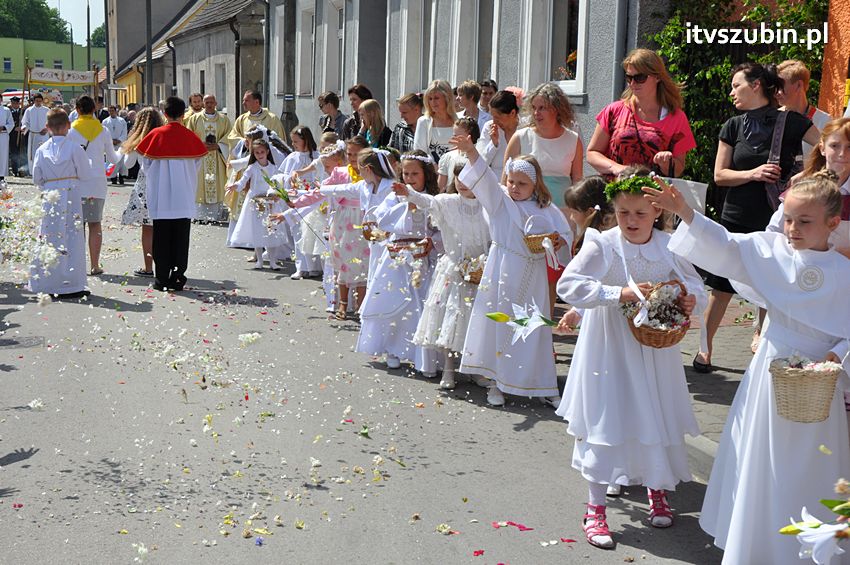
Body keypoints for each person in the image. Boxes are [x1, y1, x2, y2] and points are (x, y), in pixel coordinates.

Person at [645, 171, 850, 565]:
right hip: (770, 377)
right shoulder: (770, 251)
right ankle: (757, 548)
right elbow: (726, 246)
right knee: (765, 462)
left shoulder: (844, 274)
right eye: (788, 219)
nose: (792, 229)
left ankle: (809, 551)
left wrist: (836, 357)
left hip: (820, 387)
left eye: (804, 221)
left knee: (811, 465)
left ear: (833, 223)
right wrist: (685, 212)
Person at [556, 172, 707, 550]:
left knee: (653, 413)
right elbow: (569, 285)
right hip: (610, 346)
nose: (631, 220)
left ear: (656, 211)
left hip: (655, 349)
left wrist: (689, 299)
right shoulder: (603, 244)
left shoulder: (670, 246)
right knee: (608, 417)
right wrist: (617, 292)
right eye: (624, 213)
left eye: (639, 212)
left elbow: (697, 289)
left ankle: (656, 489)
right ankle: (596, 507)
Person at [693, 62, 820, 372]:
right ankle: (704, 350)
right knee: (721, 284)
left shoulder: (792, 121)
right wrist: (753, 172)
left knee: (769, 283)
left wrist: (801, 176)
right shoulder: (732, 125)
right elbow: (720, 175)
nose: (731, 92)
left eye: (737, 85)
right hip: (736, 213)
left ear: (756, 86)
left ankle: (763, 347)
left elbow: (828, 149)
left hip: (774, 215)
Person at [453, 134, 571, 408]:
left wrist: (553, 242)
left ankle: (543, 383)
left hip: (533, 273)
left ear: (535, 184)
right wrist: (471, 152)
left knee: (533, 326)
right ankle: (498, 381)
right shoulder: (499, 202)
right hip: (503, 269)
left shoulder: (546, 207)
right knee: (502, 323)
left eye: (522, 183)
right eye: (511, 181)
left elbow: (564, 234)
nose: (515, 187)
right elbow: (483, 178)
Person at [402, 158, 490, 390]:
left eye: (470, 178)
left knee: (475, 320)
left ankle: (474, 368)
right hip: (454, 268)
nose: (463, 183)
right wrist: (409, 192)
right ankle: (449, 369)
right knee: (452, 318)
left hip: (481, 268)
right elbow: (427, 201)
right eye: (459, 177)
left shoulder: (488, 204)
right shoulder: (448, 202)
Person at [355, 149, 441, 376]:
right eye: (406, 174)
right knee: (396, 303)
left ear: (426, 175)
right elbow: (382, 218)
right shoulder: (394, 195)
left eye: (415, 174)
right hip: (398, 256)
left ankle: (423, 356)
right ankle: (393, 349)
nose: (410, 179)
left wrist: (433, 241)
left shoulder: (434, 197)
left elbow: (442, 226)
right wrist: (407, 206)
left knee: (422, 305)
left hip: (424, 257)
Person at [587, 48, 696, 179]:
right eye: (629, 77)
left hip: (653, 195)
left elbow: (678, 169)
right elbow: (592, 153)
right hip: (615, 194)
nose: (632, 83)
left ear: (657, 77)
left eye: (640, 77)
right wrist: (616, 168)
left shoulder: (676, 118)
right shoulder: (614, 111)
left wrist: (666, 163)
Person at [136, 97, 208, 292]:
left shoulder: (155, 135)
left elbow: (146, 165)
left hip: (161, 198)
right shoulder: (190, 137)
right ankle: (178, 277)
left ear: (164, 114)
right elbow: (197, 165)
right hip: (183, 197)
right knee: (181, 239)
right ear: (183, 114)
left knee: (161, 239)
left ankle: (161, 279)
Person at [28, 109, 95, 299]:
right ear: (68, 126)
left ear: (47, 128)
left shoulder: (41, 149)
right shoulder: (75, 148)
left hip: (50, 196)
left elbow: (36, 178)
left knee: (50, 235)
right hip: (71, 194)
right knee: (71, 236)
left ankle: (48, 281)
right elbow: (86, 174)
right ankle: (72, 283)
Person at [505, 82, 583, 211]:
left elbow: (577, 180)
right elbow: (506, 179)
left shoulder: (573, 139)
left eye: (542, 108)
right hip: (527, 209)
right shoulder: (520, 137)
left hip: (562, 211)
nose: (536, 113)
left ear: (557, 109)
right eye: (534, 107)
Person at [67, 95, 121, 275]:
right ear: (94, 110)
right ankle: (95, 264)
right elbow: (113, 159)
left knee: (77, 225)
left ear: (77, 110)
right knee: (95, 224)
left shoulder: (70, 131)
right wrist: (123, 153)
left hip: (76, 181)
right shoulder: (103, 130)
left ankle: (77, 264)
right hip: (97, 181)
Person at [120, 107, 163, 277]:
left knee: (148, 228)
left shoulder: (139, 139)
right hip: (163, 183)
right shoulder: (162, 137)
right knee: (163, 227)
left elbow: (128, 164)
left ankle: (148, 267)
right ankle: (164, 266)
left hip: (145, 185)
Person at [226, 139, 281, 270]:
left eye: (262, 152)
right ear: (253, 154)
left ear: (267, 151)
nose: (260, 154)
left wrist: (278, 193)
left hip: (269, 202)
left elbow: (277, 183)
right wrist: (236, 185)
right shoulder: (252, 167)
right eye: (257, 153)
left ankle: (273, 261)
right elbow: (243, 180)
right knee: (257, 230)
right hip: (255, 201)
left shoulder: (273, 168)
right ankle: (259, 260)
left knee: (270, 230)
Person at [277, 125, 321, 280]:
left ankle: (315, 267)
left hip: (313, 199)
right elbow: (282, 176)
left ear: (305, 140)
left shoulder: (316, 156)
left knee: (312, 233)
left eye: (296, 141)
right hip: (296, 200)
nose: (294, 144)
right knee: (298, 234)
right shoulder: (292, 157)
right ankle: (301, 267)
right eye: (292, 141)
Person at [186, 94, 232, 222]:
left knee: (216, 185)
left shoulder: (224, 120)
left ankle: (215, 216)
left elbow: (230, 136)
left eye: (212, 102)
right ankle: (199, 216)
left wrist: (219, 145)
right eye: (207, 102)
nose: (209, 105)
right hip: (200, 158)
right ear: (203, 104)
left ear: (216, 103)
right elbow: (189, 137)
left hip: (217, 156)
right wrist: (200, 145)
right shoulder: (194, 119)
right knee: (199, 186)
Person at [776, 59, 832, 159]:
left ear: (799, 85)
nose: (777, 92)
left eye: (781, 86)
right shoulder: (774, 118)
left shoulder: (825, 121)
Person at [476, 90, 521, 179]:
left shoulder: (526, 128)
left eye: (498, 117)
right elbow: (480, 162)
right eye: (492, 116)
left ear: (512, 113)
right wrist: (494, 144)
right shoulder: (489, 127)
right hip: (496, 184)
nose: (494, 121)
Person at [413, 80, 457, 164]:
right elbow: (420, 151)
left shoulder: (459, 120)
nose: (433, 102)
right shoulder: (424, 121)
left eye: (436, 98)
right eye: (430, 99)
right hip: (433, 172)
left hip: (455, 171)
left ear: (447, 98)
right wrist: (435, 168)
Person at [437, 117, 479, 191]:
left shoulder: (478, 157)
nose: (454, 138)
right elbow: (441, 187)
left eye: (458, 136)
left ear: (470, 137)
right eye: (454, 135)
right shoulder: (447, 157)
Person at [22, 93, 50, 174]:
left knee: (44, 153)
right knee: (33, 154)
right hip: (33, 135)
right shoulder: (29, 110)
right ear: (33, 101)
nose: (38, 102)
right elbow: (25, 122)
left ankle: (45, 171)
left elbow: (51, 122)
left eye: (40, 101)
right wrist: (24, 127)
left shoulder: (47, 110)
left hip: (44, 135)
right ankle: (34, 172)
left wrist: (46, 129)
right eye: (37, 101)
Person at [102, 105, 128, 185]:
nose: (111, 112)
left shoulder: (122, 121)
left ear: (116, 111)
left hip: (120, 144)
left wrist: (119, 140)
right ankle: (113, 178)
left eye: (113, 110)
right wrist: (111, 140)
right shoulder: (105, 121)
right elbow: (104, 133)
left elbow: (124, 132)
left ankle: (121, 177)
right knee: (111, 161)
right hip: (110, 144)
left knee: (121, 161)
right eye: (110, 111)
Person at [9, 97, 25, 177]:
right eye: (13, 103)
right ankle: (15, 170)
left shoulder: (23, 111)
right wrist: (14, 128)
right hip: (12, 135)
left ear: (19, 104)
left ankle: (22, 170)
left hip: (22, 135)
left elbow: (26, 122)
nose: (15, 105)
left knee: (22, 152)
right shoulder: (9, 112)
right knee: (14, 153)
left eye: (16, 103)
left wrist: (22, 128)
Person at [0, 101, 14, 186]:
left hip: (3, 136)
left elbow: (11, 123)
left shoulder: (6, 110)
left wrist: (4, 127)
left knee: (2, 156)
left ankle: (1, 177)